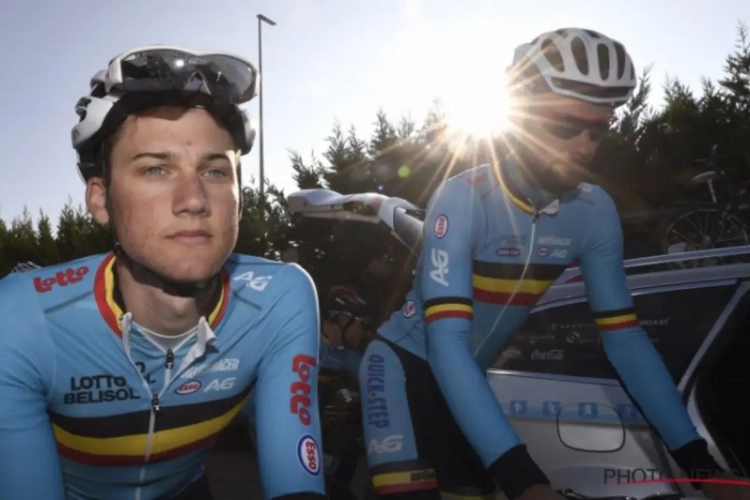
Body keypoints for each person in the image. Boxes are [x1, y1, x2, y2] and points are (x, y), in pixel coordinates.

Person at [359, 28, 747, 500]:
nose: (584, 145)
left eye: (598, 129)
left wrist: (703, 468)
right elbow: (448, 343)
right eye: (566, 126)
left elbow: (625, 342)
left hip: (468, 383)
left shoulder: (595, 212)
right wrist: (524, 480)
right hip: (404, 369)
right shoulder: (463, 197)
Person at [0, 46, 325, 500]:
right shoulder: (20, 315)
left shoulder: (281, 297)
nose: (193, 199)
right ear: (100, 200)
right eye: (155, 169)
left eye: (215, 171)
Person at [246, 284, 378, 500]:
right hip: (288, 444)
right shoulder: (296, 344)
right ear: (342, 318)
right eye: (363, 324)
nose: (366, 332)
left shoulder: (350, 357)